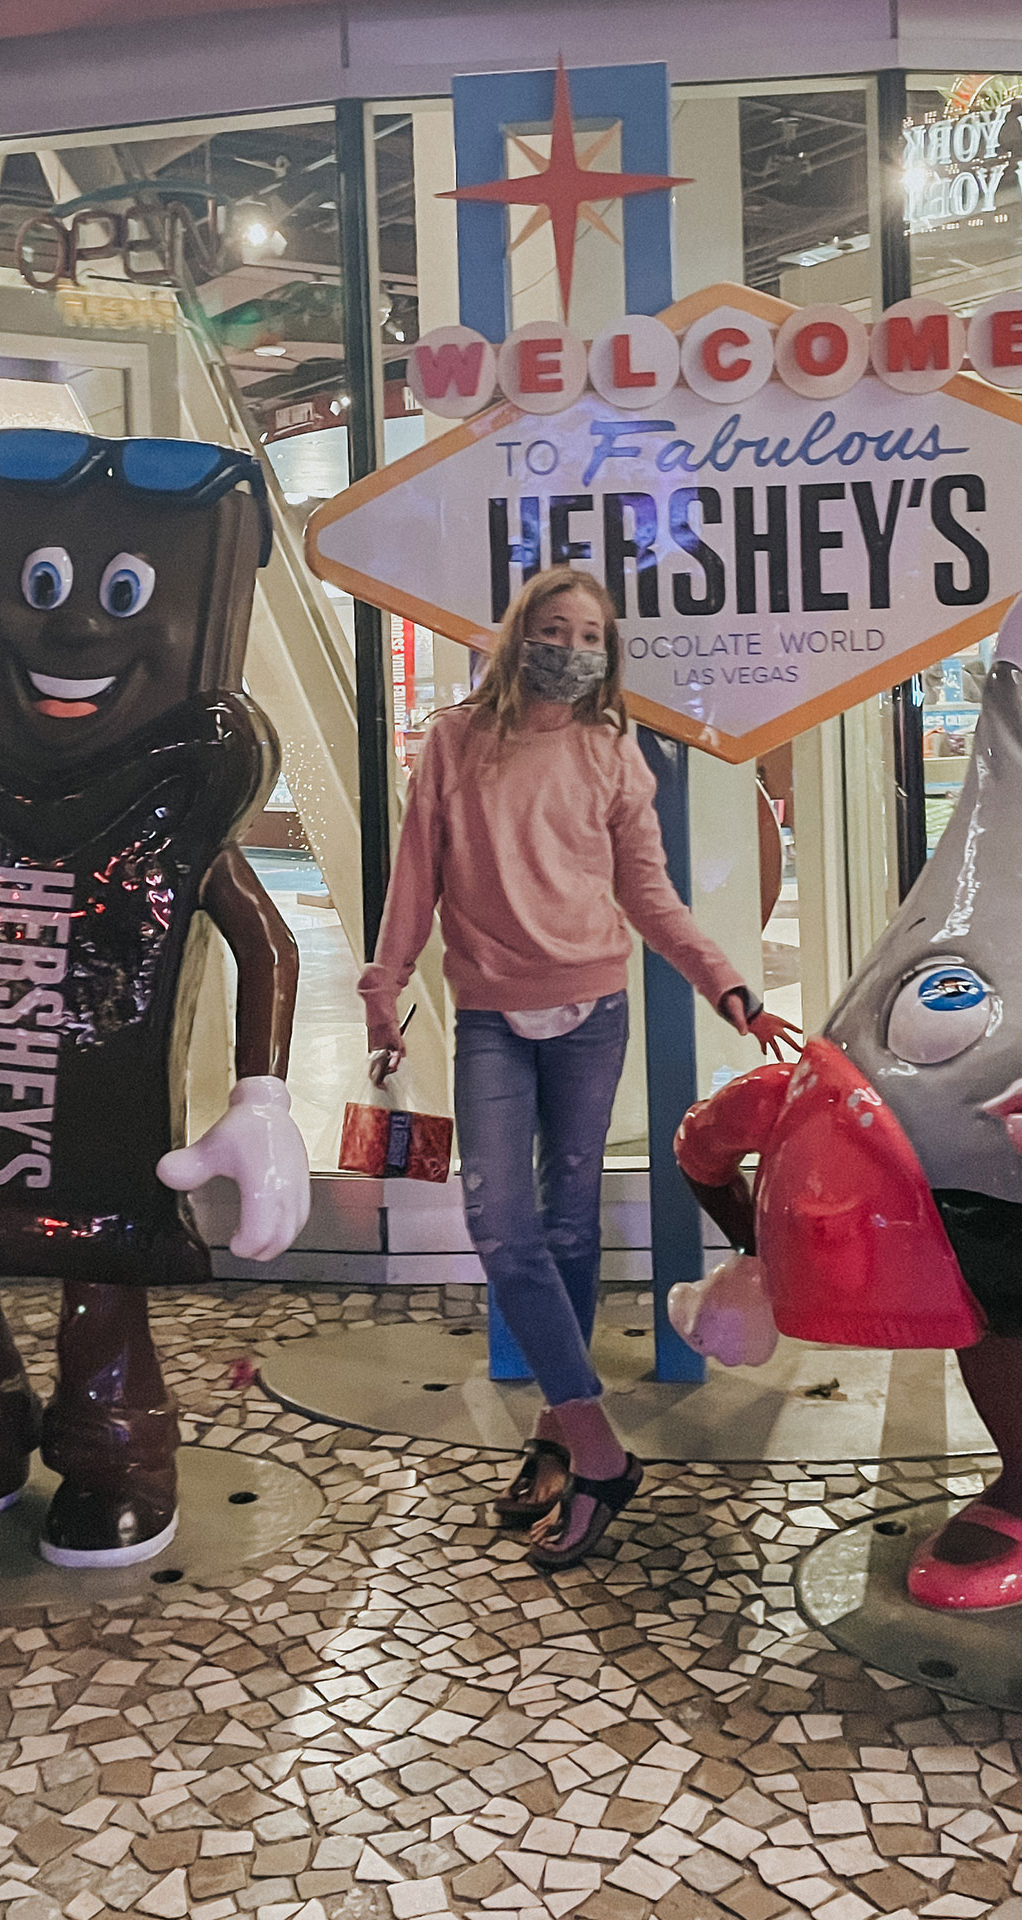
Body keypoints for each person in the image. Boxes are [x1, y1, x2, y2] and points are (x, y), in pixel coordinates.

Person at [360, 567, 797, 1570]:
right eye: (553, 628)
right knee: (500, 1225)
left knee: (566, 1219)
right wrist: (383, 984)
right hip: (489, 1019)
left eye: (590, 633)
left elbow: (651, 894)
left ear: (609, 652)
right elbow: (416, 874)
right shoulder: (457, 741)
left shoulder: (613, 751)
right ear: (520, 637)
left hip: (595, 1012)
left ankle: (558, 1437)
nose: (572, 646)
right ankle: (600, 1446)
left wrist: (729, 984)